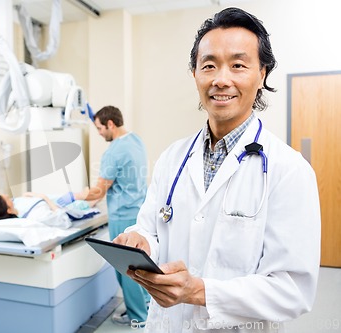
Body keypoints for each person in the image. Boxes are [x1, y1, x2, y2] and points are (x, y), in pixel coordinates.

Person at [114, 7, 321, 333]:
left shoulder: (289, 170)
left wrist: (198, 291)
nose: (221, 79)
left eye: (238, 65)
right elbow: (151, 228)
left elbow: (292, 289)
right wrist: (141, 243)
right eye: (208, 65)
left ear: (262, 73)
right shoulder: (172, 158)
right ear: (195, 74)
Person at [72, 105, 150, 325]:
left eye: (99, 128)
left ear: (110, 124)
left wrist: (71, 198)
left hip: (122, 216)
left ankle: (138, 318)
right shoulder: (136, 141)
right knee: (140, 265)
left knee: (127, 270)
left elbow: (99, 190)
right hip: (139, 213)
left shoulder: (114, 152)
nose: (98, 133)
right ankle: (144, 306)